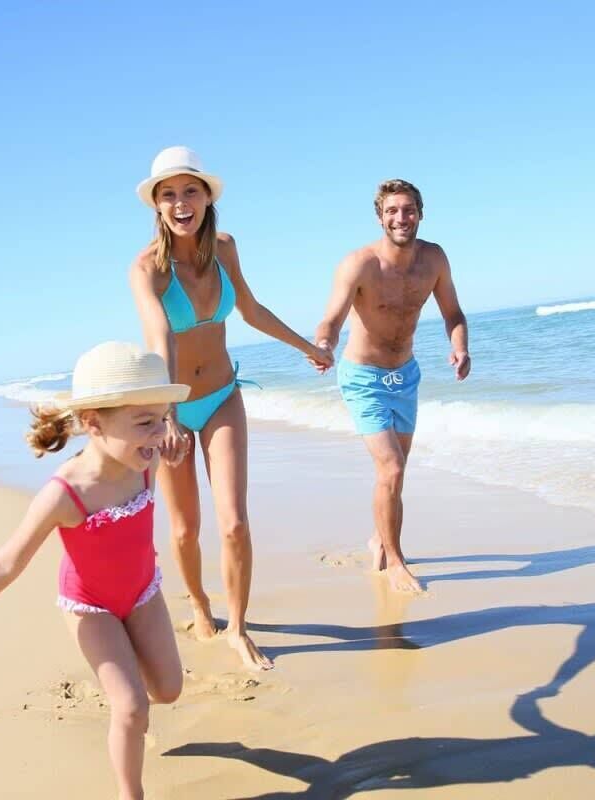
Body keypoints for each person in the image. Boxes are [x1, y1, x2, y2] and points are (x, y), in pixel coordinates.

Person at [0, 341, 189, 800]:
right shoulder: (65, 494)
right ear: (93, 422)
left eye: (163, 418)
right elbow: (8, 560)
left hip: (142, 592)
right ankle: (131, 793)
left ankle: (130, 679)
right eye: (144, 422)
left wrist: (173, 449)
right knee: (132, 708)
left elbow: (164, 446)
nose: (159, 433)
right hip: (90, 606)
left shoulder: (146, 459)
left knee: (168, 690)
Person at [129, 146, 333, 670]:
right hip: (172, 407)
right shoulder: (147, 269)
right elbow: (159, 339)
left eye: (190, 191)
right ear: (156, 204)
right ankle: (200, 604)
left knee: (235, 523)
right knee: (183, 530)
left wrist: (307, 348)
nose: (181, 203)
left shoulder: (224, 248)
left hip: (222, 396)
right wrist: (167, 414)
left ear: (206, 197)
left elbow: (251, 309)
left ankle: (238, 628)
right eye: (169, 194)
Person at [314, 179, 470, 593]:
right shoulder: (360, 264)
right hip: (364, 378)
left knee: (395, 473)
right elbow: (331, 319)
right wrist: (324, 345)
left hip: (406, 376)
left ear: (420, 213)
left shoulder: (434, 259)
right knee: (392, 467)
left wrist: (460, 347)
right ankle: (395, 560)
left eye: (409, 210)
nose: (401, 218)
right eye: (392, 211)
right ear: (380, 217)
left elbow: (453, 313)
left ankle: (378, 539)